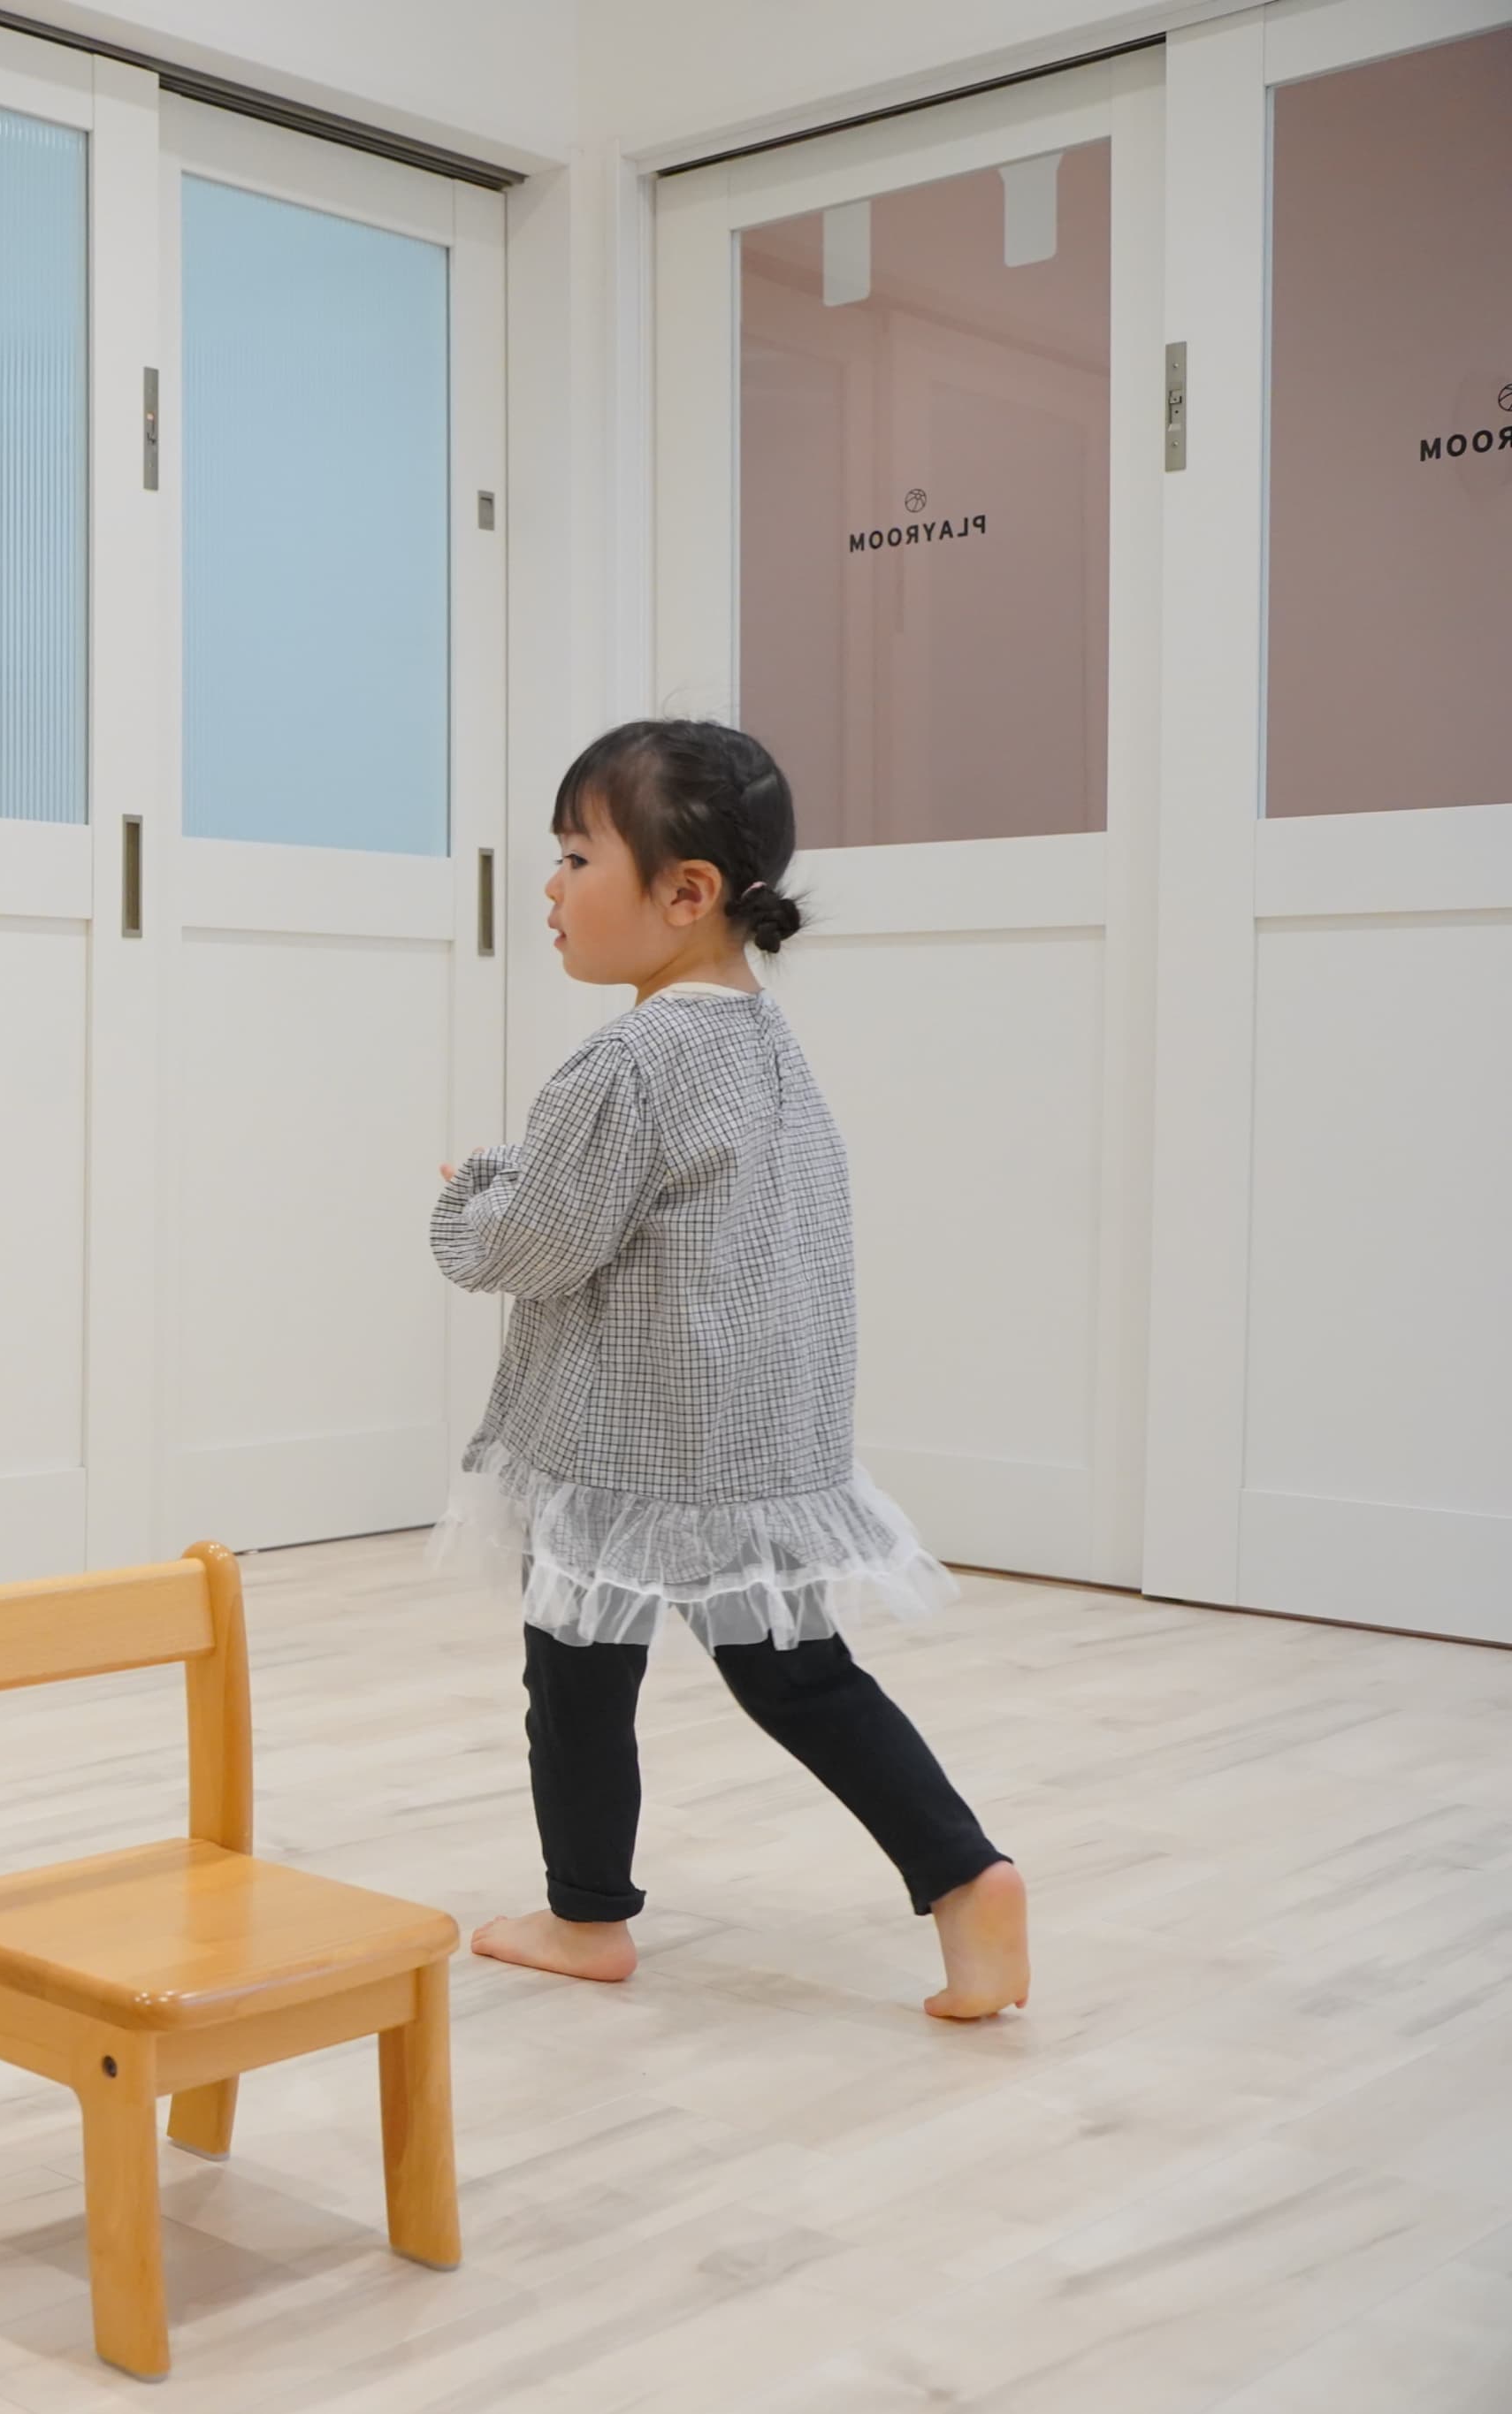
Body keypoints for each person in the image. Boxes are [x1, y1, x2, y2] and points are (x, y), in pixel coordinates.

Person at [430, 719, 1027, 2021]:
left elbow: (539, 1245)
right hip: (755, 1438)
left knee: (576, 1674)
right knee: (799, 1675)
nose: (549, 886)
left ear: (685, 892)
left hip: (625, 1440)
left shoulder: (628, 1062)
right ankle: (965, 1875)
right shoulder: (765, 1042)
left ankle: (587, 1914)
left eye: (576, 857)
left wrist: (469, 1197)